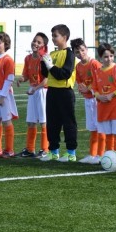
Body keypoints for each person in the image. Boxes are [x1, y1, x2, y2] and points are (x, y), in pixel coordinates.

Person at [40, 24, 78, 162]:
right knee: (52, 123)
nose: (53, 38)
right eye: (52, 36)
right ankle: (53, 151)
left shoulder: (70, 53)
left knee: (68, 123)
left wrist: (51, 66)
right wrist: (42, 62)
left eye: (56, 36)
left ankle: (71, 153)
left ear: (65, 37)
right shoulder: (52, 54)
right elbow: (45, 74)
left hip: (65, 92)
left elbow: (64, 74)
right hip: (52, 92)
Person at [71, 38, 105, 164]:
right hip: (88, 100)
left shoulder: (94, 64)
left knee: (100, 127)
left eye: (82, 50)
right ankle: (92, 154)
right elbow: (79, 81)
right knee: (92, 128)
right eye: (77, 52)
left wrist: (88, 87)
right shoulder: (78, 66)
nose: (81, 53)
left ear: (86, 49)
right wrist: (81, 87)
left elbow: (100, 79)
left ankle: (100, 155)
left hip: (98, 100)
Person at [16, 32, 50, 158]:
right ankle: (30, 149)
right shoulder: (28, 58)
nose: (35, 43)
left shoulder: (45, 58)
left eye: (39, 42)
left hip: (42, 91)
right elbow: (26, 75)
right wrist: (21, 79)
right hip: (33, 90)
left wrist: (36, 88)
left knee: (43, 121)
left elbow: (47, 79)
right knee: (31, 121)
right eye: (34, 41)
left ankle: (45, 149)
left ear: (44, 46)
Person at [92, 43, 116, 155]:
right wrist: (99, 96)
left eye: (111, 56)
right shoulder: (97, 72)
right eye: (106, 57)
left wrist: (111, 95)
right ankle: (109, 156)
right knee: (108, 134)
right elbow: (94, 89)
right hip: (103, 108)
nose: (109, 59)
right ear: (100, 58)